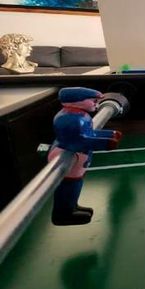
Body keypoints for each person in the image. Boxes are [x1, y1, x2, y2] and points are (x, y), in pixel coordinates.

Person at [49, 87, 122, 225]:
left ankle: (72, 207)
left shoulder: (81, 115)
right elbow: (78, 141)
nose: (96, 104)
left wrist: (109, 134)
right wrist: (106, 143)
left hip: (78, 157)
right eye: (93, 101)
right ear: (76, 101)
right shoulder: (68, 119)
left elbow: (89, 133)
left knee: (76, 184)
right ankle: (63, 214)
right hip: (69, 156)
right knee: (68, 185)